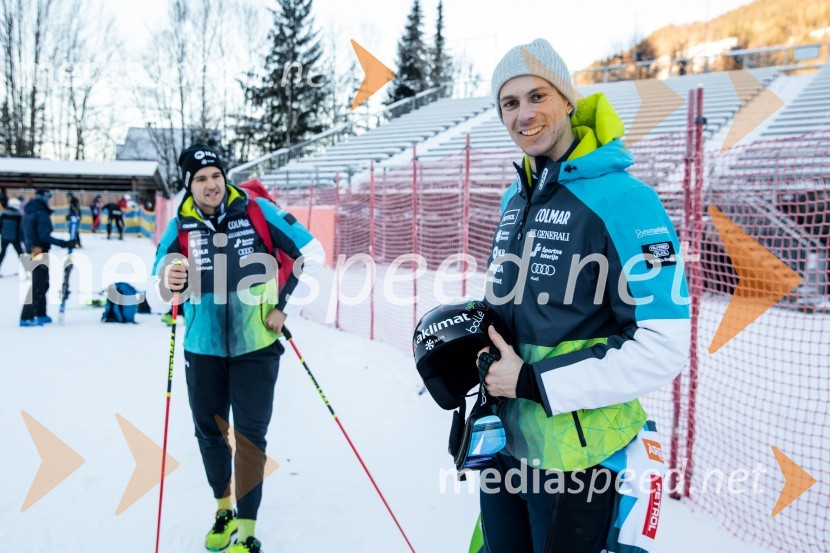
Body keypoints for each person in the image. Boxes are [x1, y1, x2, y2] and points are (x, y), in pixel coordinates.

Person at [474, 39, 690, 552]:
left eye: (537, 96)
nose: (524, 114)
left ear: (568, 99)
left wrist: (531, 380)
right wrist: (472, 341)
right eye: (510, 103)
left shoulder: (626, 199)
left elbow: (663, 345)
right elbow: (527, 308)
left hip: (581, 458)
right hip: (506, 444)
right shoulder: (515, 195)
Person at [153, 144, 324, 553]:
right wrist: (167, 281)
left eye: (216, 175)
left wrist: (283, 306)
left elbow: (311, 253)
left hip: (256, 346)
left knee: (249, 438)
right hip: (202, 347)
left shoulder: (256, 211)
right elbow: (156, 284)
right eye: (201, 179)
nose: (211, 184)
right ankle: (223, 510)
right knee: (210, 434)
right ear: (188, 186)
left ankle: (247, 531)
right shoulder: (180, 224)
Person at [20, 189, 77, 326]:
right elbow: (44, 236)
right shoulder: (41, 213)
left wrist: (29, 246)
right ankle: (26, 317)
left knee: (43, 283)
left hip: (33, 250)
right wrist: (64, 243)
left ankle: (41, 313)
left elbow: (23, 232)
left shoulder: (29, 211)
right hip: (39, 251)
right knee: (38, 284)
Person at [0, 197, 24, 274]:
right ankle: (26, 271)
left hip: (4, 237)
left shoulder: (3, 214)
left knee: (2, 254)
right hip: (15, 238)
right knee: (21, 254)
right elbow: (20, 228)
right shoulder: (18, 215)